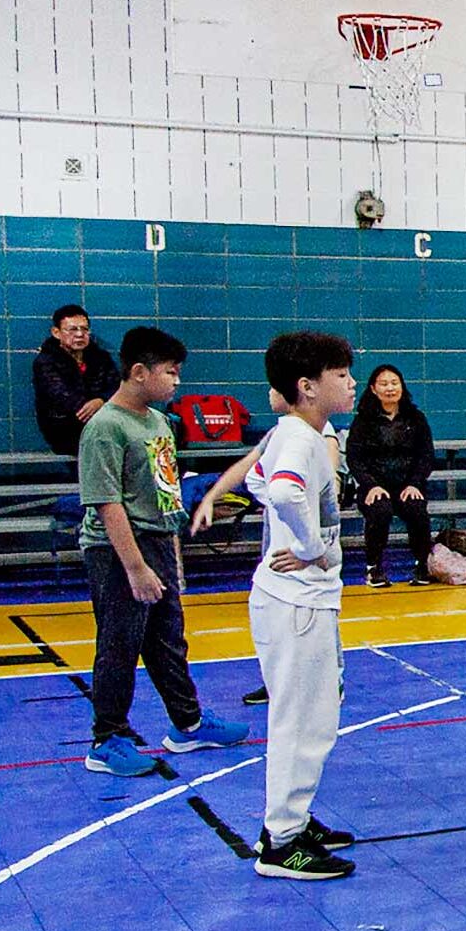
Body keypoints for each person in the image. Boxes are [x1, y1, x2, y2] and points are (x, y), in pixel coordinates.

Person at [78, 326, 247, 777]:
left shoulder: (157, 421)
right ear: (138, 372)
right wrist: (135, 568)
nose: (177, 382)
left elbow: (164, 487)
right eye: (170, 373)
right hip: (118, 550)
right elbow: (107, 503)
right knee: (119, 644)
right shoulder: (105, 428)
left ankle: (188, 723)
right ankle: (107, 738)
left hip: (157, 541)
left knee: (167, 640)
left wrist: (171, 545)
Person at [249, 331, 359, 881]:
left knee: (313, 716)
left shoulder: (298, 433)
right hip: (297, 605)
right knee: (303, 722)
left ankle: (292, 820)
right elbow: (287, 492)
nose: (351, 382)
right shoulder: (299, 439)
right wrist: (311, 548)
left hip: (299, 602)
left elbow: (256, 479)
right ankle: (282, 842)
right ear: (307, 386)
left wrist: (295, 540)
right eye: (340, 374)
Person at [191, 388, 340, 707]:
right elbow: (248, 466)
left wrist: (312, 545)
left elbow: (328, 483)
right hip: (279, 541)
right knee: (278, 615)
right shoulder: (281, 432)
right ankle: (279, 680)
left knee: (316, 613)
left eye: (276, 386)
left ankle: (331, 680)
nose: (271, 391)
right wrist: (210, 496)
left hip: (308, 546)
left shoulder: (319, 434)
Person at [346, 364, 437, 587]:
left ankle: (422, 564)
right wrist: (370, 485)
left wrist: (415, 483)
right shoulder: (363, 421)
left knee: (417, 512)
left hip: (408, 485)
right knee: (380, 511)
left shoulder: (416, 418)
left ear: (402, 387)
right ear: (373, 389)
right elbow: (354, 459)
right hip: (375, 487)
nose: (390, 388)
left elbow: (426, 455)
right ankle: (373, 567)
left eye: (394, 383)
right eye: (384, 384)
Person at [34, 304, 121, 456]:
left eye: (84, 329)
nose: (80, 334)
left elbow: (117, 385)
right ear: (56, 333)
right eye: (73, 329)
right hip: (63, 428)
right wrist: (93, 407)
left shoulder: (101, 358)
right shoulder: (46, 362)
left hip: (101, 423)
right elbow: (61, 395)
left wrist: (101, 400)